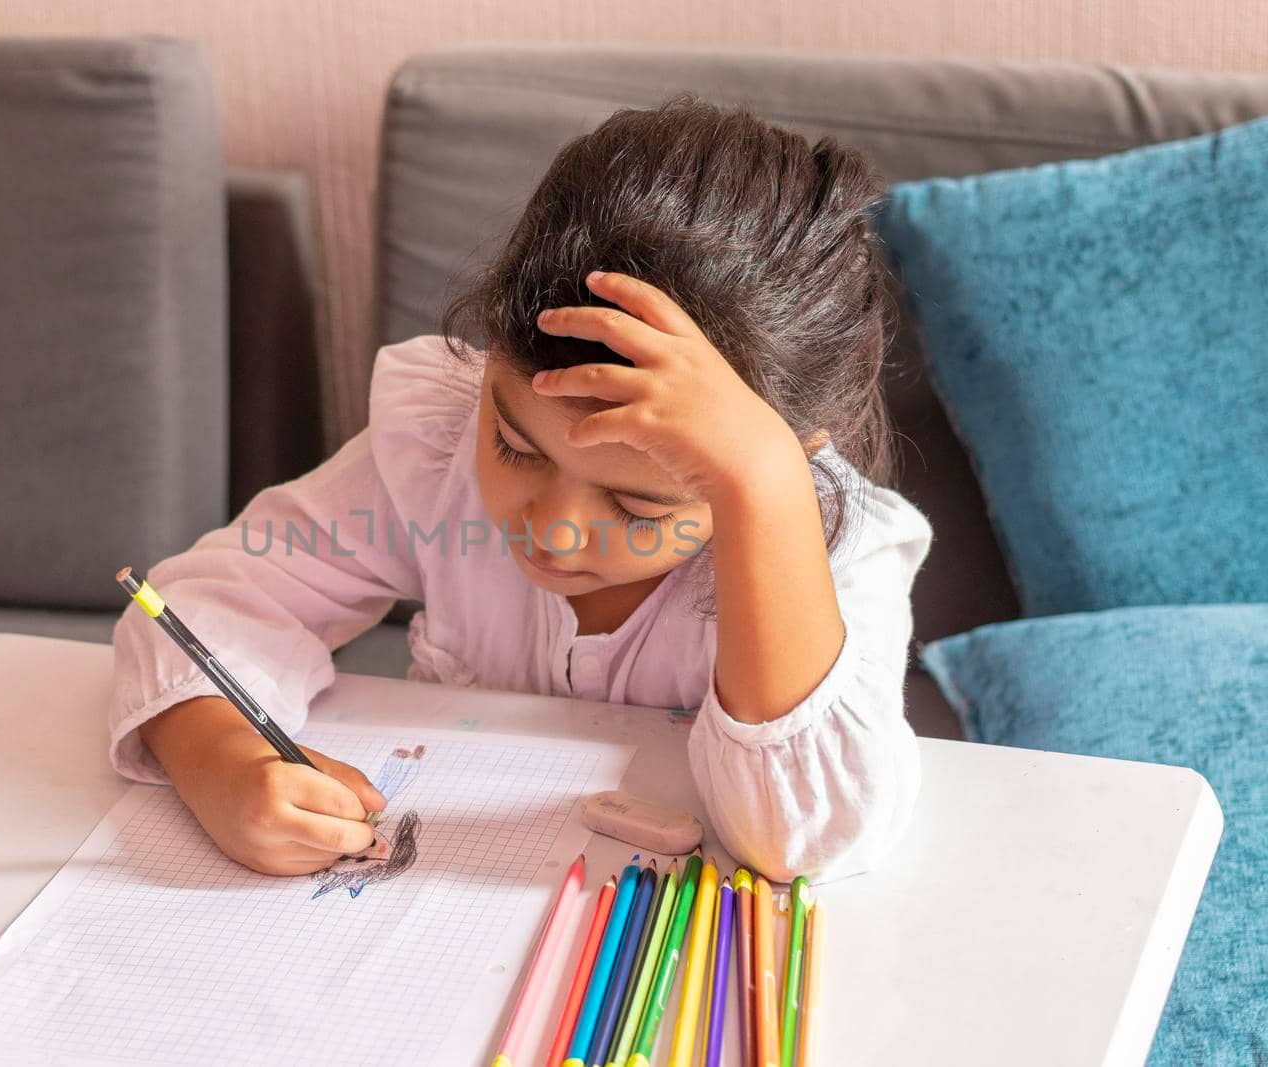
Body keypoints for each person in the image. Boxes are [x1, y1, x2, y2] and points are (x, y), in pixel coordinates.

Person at [108, 92, 934, 883]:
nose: (556, 530)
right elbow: (203, 603)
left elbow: (804, 837)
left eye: (639, 504)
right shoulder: (433, 445)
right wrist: (216, 753)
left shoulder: (830, 543)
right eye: (515, 443)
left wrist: (761, 487)